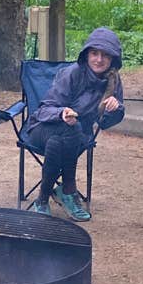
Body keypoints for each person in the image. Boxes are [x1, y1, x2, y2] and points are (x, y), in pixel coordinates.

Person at [25, 26, 125, 221]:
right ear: (86, 55)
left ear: (113, 59)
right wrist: (62, 113)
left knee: (60, 140)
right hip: (42, 129)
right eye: (94, 53)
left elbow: (104, 123)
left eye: (105, 55)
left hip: (74, 137)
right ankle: (68, 190)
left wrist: (115, 109)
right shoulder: (72, 73)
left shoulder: (113, 81)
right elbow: (44, 109)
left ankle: (43, 199)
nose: (99, 59)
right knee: (69, 129)